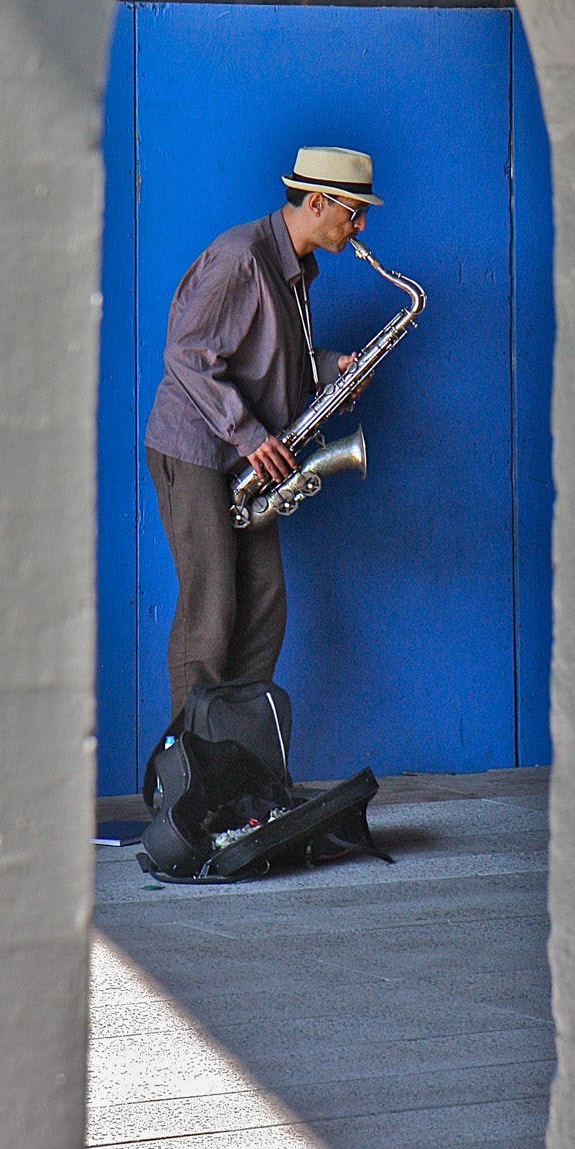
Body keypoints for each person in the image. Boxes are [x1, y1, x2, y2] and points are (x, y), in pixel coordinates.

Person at [144, 146, 382, 735]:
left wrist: (333, 370)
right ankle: (191, 778)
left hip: (246, 456)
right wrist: (251, 436)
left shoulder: (295, 267)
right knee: (211, 609)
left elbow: (278, 361)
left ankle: (239, 763)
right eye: (352, 212)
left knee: (264, 607)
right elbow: (188, 356)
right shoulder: (241, 259)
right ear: (318, 201)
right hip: (196, 450)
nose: (360, 227)